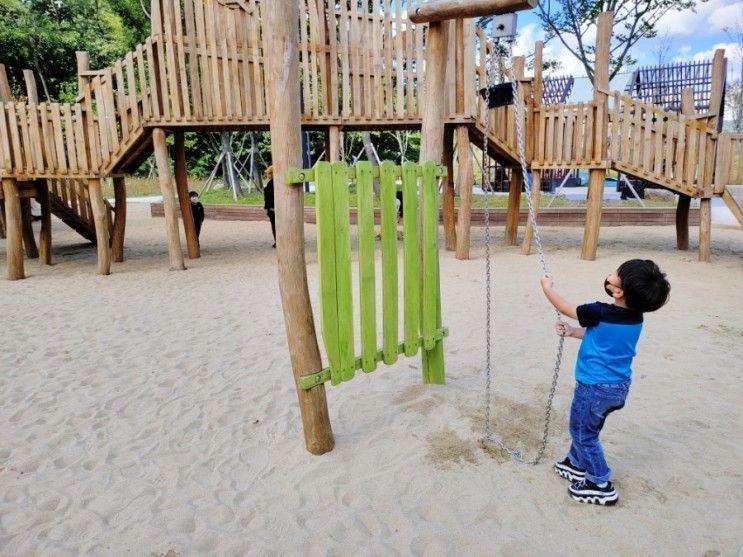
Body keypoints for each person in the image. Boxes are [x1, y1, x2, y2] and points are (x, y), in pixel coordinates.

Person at [540, 259, 670, 506]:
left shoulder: (598, 311)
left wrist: (547, 288)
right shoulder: (635, 318)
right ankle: (576, 463)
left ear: (618, 292)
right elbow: (602, 338)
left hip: (594, 388)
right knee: (589, 427)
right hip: (617, 387)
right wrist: (572, 331)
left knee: (582, 433)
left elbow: (567, 307)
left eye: (614, 274)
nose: (609, 275)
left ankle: (599, 482)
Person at [264, 166, 276, 247]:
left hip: (272, 208)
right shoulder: (272, 183)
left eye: (269, 173)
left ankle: (277, 241)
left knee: (274, 225)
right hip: (272, 207)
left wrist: (268, 208)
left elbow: (268, 196)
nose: (268, 175)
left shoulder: (271, 184)